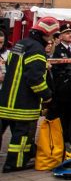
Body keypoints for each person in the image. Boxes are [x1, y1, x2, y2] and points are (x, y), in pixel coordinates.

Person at [0, 17, 57, 172]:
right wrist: (47, 95)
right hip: (23, 102)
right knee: (21, 135)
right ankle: (15, 163)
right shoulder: (37, 50)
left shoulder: (20, 44)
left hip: (6, 99)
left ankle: (27, 154)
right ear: (46, 34)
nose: (52, 39)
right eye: (52, 35)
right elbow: (34, 78)